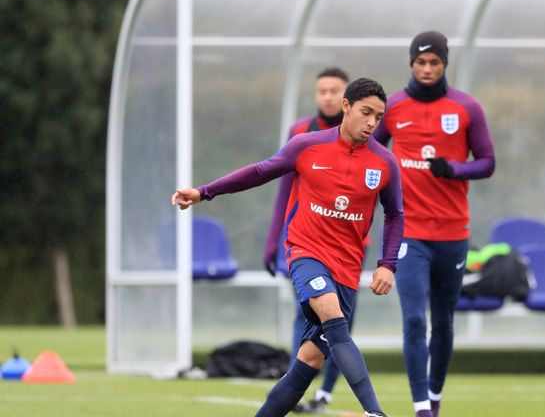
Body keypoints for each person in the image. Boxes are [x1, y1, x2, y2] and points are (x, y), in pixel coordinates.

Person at [173, 78, 404, 417]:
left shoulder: (385, 163)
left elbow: (396, 215)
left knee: (307, 363)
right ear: (346, 107)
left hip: (347, 269)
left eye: (378, 117)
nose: (372, 123)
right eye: (366, 112)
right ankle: (375, 412)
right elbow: (259, 172)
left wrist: (387, 264)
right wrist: (205, 191)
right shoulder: (307, 146)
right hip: (306, 254)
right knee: (330, 312)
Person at [373, 31, 495, 417]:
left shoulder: (466, 108)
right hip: (408, 233)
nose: (427, 69)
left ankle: (436, 396)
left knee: (442, 323)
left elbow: (488, 161)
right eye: (420, 62)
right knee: (413, 319)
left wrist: (455, 170)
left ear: (445, 65)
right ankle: (422, 407)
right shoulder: (391, 107)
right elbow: (368, 151)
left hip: (452, 234)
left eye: (434, 63)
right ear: (411, 63)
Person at [262, 67, 363, 414]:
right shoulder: (301, 133)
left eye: (335, 90)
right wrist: (272, 241)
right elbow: (283, 188)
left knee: (340, 322)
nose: (328, 97)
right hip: (303, 245)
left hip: (346, 250)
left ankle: (326, 393)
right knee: (307, 317)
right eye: (322, 91)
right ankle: (297, 389)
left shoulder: (364, 139)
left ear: (347, 98)